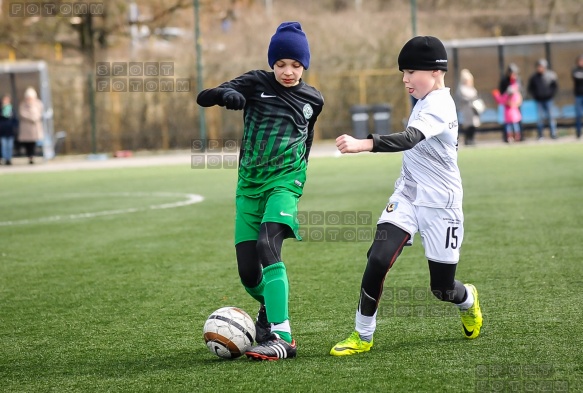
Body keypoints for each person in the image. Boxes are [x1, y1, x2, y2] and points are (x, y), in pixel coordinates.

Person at [330, 36, 482, 357]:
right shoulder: (424, 100)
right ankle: (362, 335)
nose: (405, 79)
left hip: (441, 205)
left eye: (411, 71)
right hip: (408, 196)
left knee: (442, 289)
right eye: (403, 72)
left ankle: (468, 298)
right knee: (378, 258)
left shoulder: (440, 103)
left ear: (435, 71)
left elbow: (410, 138)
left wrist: (364, 143)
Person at [196, 21, 324, 361]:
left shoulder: (313, 99)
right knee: (248, 274)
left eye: (296, 65)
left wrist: (298, 178)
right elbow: (203, 96)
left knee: (269, 244)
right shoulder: (255, 82)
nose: (288, 71)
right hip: (249, 185)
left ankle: (283, 336)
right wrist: (228, 94)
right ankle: (268, 309)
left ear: (304, 66)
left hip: (285, 182)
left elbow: (306, 140)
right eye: (281, 64)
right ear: (272, 63)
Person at [527, 59, 558, 140]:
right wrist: (536, 95)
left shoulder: (551, 75)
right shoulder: (534, 77)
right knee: (540, 118)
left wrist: (550, 94)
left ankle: (553, 134)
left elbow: (555, 87)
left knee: (551, 117)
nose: (540, 68)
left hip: (548, 99)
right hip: (539, 100)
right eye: (539, 66)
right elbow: (530, 88)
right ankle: (541, 135)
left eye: (542, 66)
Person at [492, 75, 523, 142]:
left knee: (515, 126)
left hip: (514, 115)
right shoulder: (506, 96)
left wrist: (513, 104)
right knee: (509, 127)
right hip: (508, 115)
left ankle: (517, 137)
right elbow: (501, 100)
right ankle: (510, 137)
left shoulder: (515, 95)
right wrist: (496, 95)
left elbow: (519, 101)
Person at [18, 87, 44, 164]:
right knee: (27, 143)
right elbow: (22, 114)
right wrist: (31, 117)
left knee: (33, 143)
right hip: (26, 128)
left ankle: (32, 156)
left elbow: (39, 113)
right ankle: (29, 156)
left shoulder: (38, 104)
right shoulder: (23, 104)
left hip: (34, 128)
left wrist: (34, 117)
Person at [456, 69, 481, 146]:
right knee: (468, 125)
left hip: (473, 109)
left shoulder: (471, 88)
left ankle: (472, 138)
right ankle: (467, 139)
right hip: (466, 109)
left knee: (474, 124)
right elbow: (463, 97)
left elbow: (475, 96)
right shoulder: (461, 88)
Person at [0, 94, 16, 165]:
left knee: (10, 146)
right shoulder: (1, 109)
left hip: (10, 131)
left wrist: (14, 127)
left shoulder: (12, 110)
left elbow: (15, 120)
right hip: (2, 131)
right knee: (4, 146)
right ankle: (5, 159)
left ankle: (9, 159)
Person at [572, 54, 583, 139]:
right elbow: (577, 78)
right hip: (578, 95)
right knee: (578, 115)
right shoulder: (575, 70)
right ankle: (578, 133)